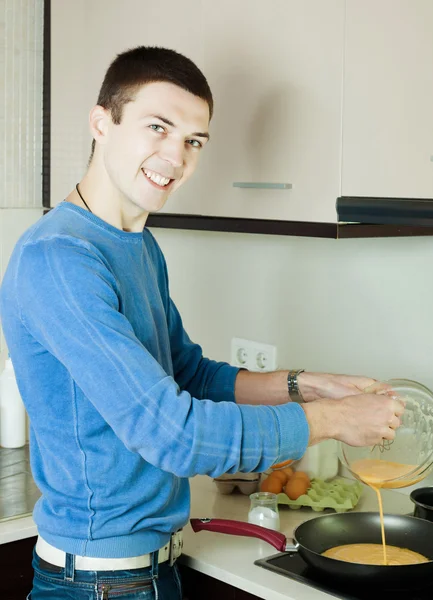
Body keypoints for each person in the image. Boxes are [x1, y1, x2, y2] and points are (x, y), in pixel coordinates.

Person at [0, 46, 404, 600]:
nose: (176, 155)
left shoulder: (138, 246)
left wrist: (306, 384)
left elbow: (190, 374)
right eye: (157, 127)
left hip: (151, 570)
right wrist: (329, 419)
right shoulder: (60, 259)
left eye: (193, 141)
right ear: (102, 122)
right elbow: (171, 433)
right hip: (97, 582)